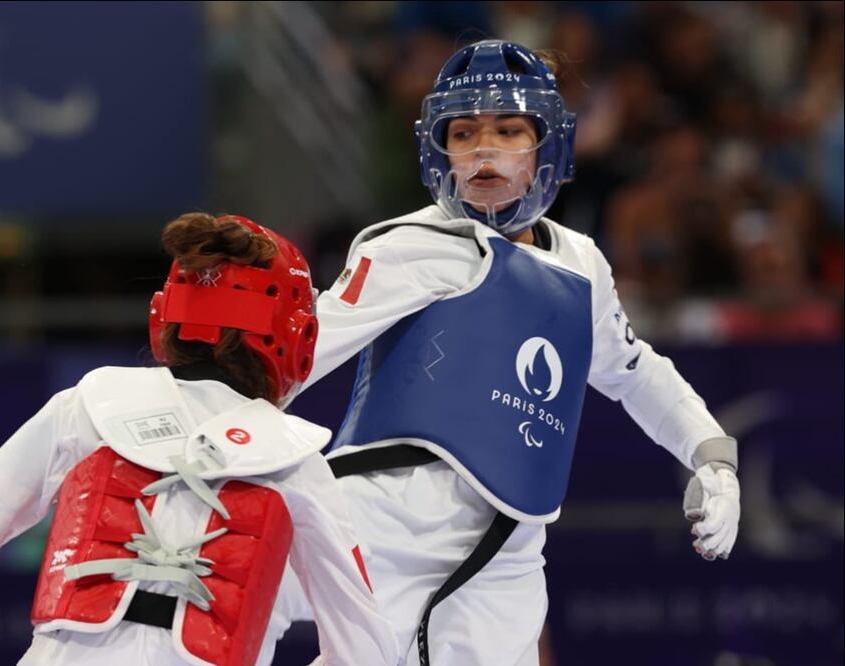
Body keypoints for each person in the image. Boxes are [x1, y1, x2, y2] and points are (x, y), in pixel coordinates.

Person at [292, 40, 741, 665]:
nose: (483, 149)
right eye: (464, 132)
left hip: (508, 553)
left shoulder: (581, 264)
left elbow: (635, 374)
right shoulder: (406, 247)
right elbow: (290, 357)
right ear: (438, 150)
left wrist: (712, 455)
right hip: (387, 525)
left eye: (508, 131)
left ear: (547, 147)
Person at [0, 213, 397, 666]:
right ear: (297, 334)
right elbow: (365, 647)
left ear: (167, 316)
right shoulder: (295, 462)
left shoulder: (88, 405)